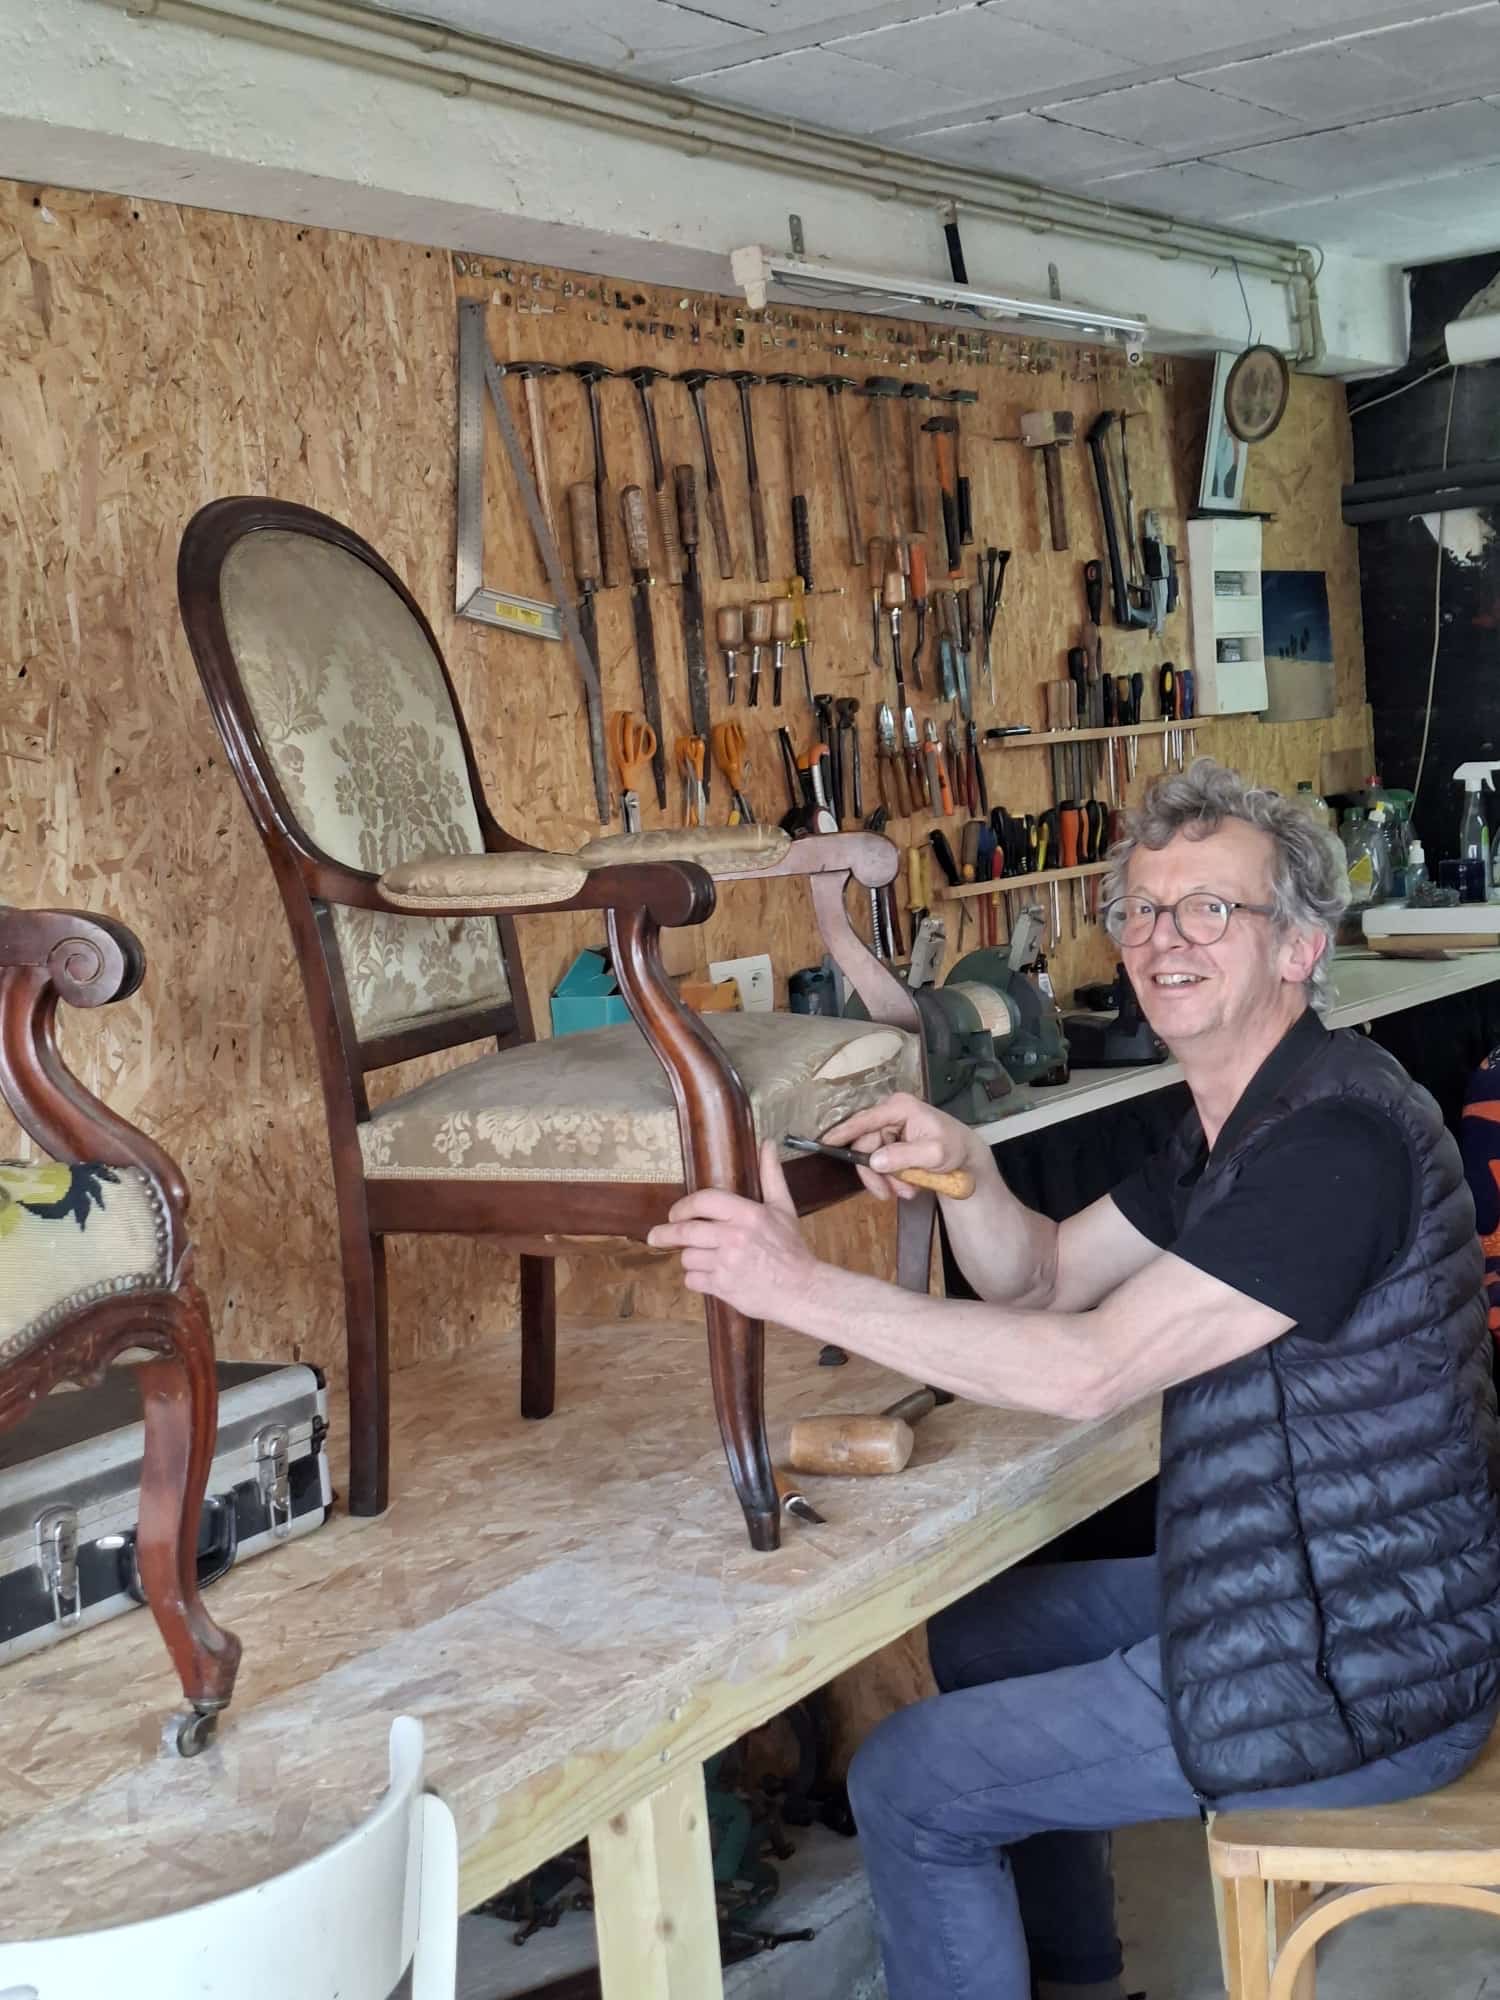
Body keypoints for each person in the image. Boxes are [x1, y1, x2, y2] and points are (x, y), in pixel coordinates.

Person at [648, 760, 1500, 2000]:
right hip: (1321, 1580)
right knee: (979, 1634)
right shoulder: (1236, 1123)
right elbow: (1044, 1278)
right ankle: (1079, 1977)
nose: (1164, 938)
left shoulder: (1335, 1145)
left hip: (1358, 1672)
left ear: (1301, 947)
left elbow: (1092, 1367)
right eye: (1143, 908)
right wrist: (968, 1168)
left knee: (909, 1780)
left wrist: (799, 1287)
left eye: (1210, 908)